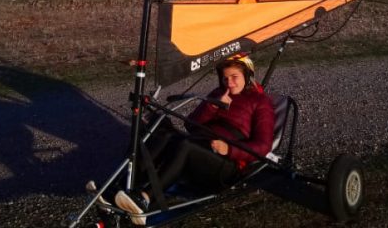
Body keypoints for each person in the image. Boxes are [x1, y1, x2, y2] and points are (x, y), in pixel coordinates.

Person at [115, 53, 275, 225]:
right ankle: (125, 185)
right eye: (225, 78)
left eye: (234, 77)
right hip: (201, 145)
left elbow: (263, 146)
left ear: (248, 76)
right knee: (164, 131)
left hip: (227, 164)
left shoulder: (260, 102)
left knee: (185, 145)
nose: (229, 82)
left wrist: (229, 149)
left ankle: (145, 199)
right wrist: (212, 105)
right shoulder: (218, 93)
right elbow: (191, 124)